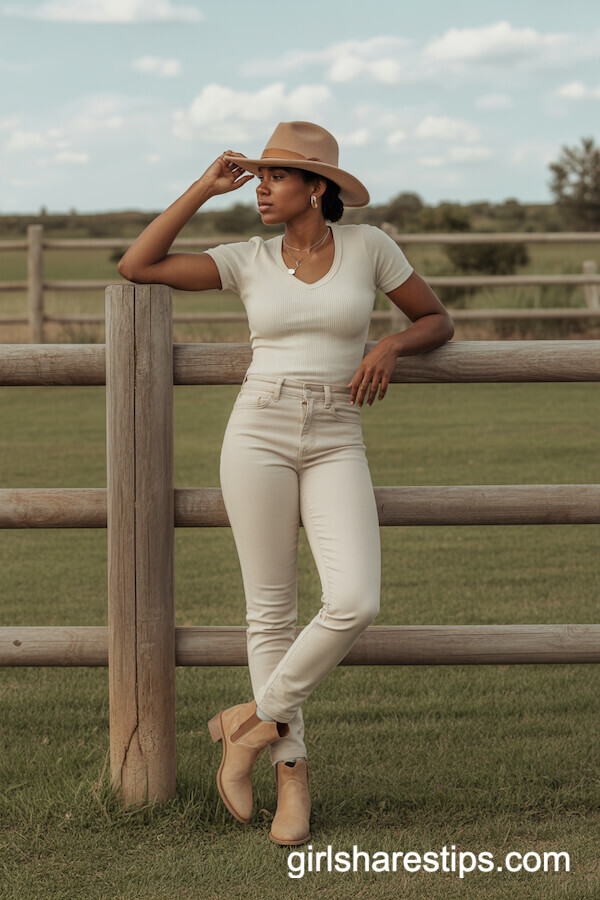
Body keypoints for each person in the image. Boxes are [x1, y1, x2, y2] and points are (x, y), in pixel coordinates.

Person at [118, 121, 454, 846]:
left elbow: (435, 318)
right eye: (259, 176)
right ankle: (290, 775)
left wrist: (391, 343)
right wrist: (205, 188)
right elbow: (136, 266)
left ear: (319, 188)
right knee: (269, 612)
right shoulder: (246, 259)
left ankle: (246, 726)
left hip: (338, 433)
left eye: (277, 176)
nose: (262, 188)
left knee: (356, 599)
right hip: (258, 430)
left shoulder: (371, 248)